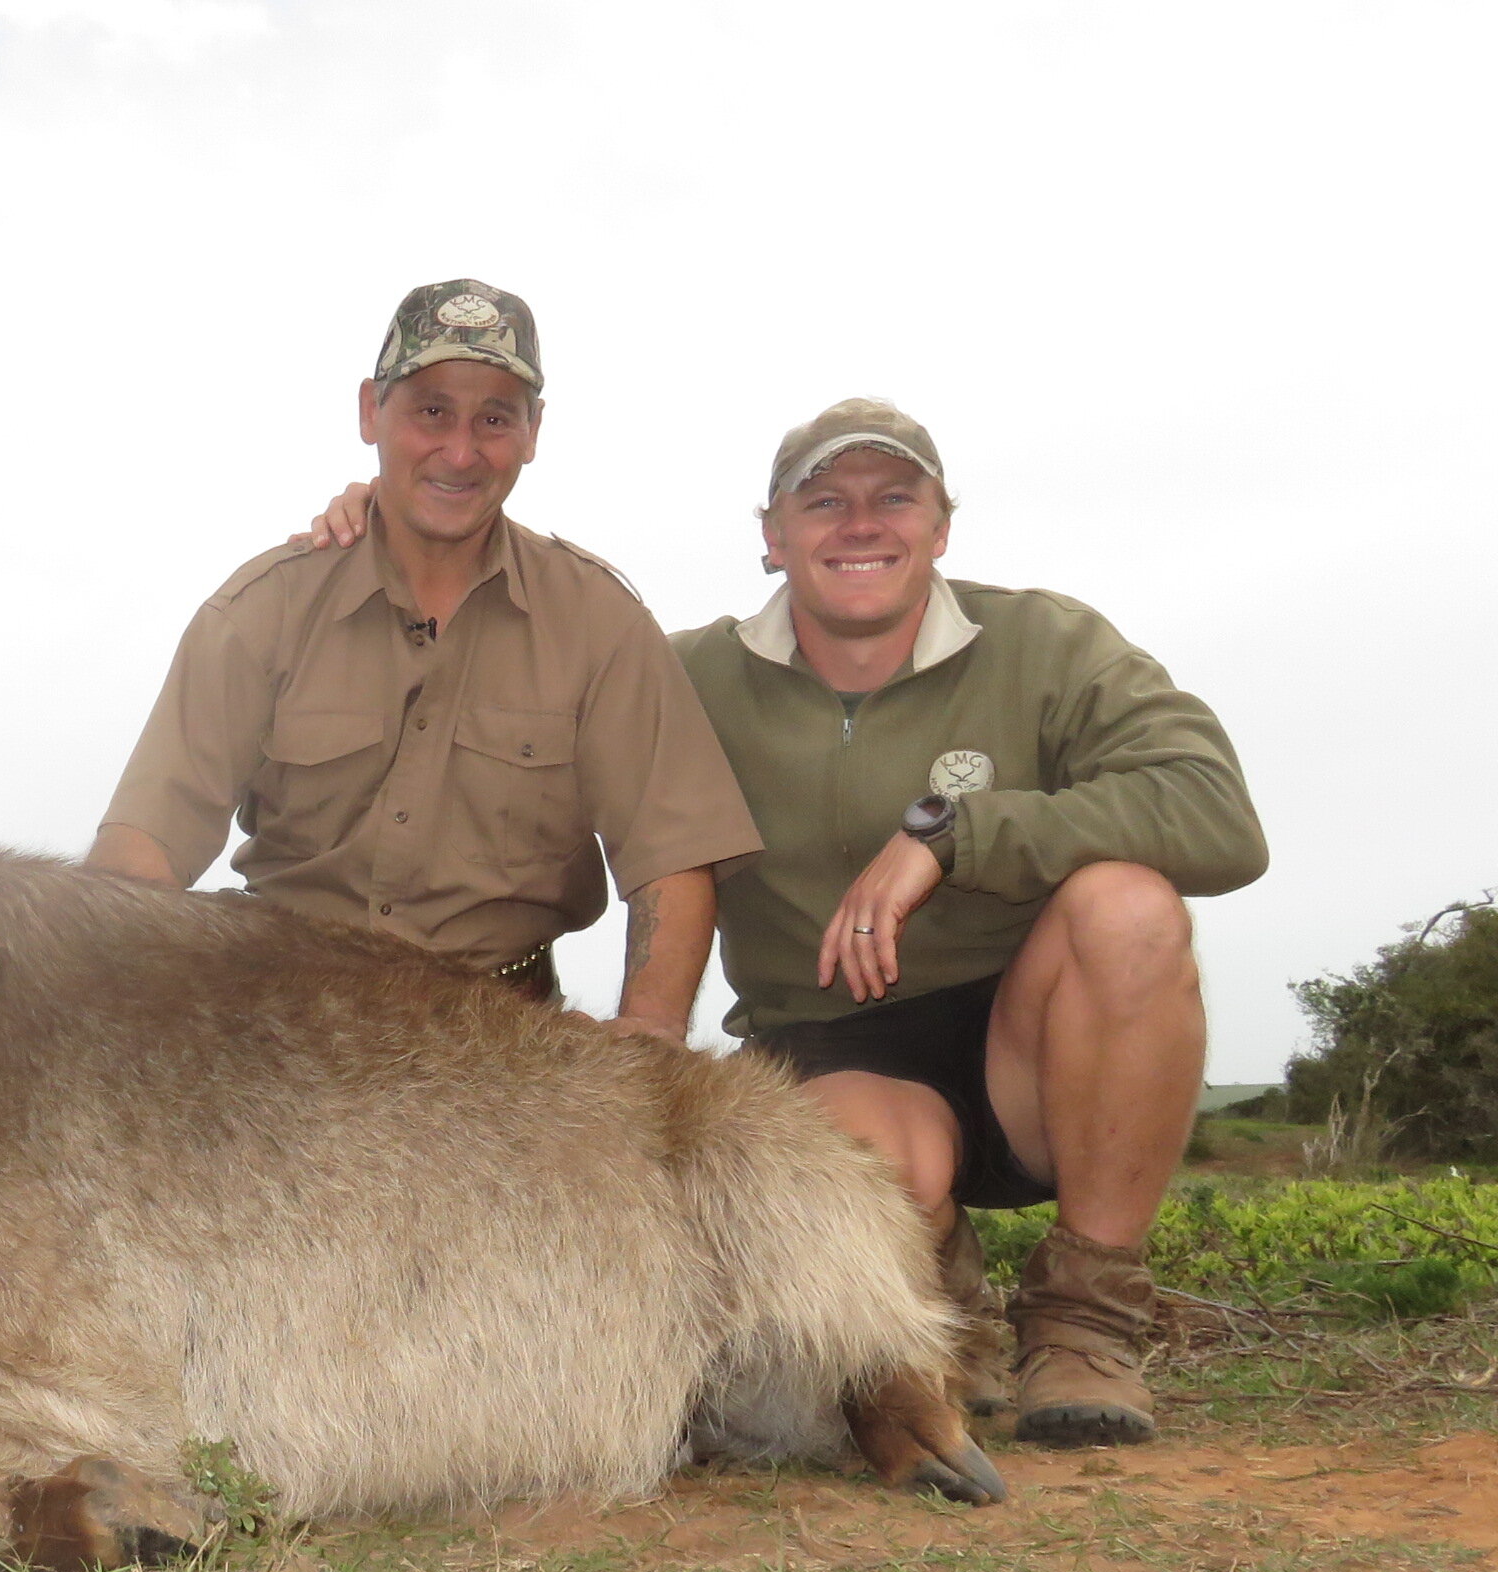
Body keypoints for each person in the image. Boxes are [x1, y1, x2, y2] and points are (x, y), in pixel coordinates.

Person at [299, 397, 1266, 1448]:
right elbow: (503, 683)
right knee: (879, 1167)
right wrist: (398, 533)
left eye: (894, 498)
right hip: (836, 1044)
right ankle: (941, 1307)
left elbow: (1218, 817)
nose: (861, 525)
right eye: (824, 502)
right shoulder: (685, 674)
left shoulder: (1048, 643)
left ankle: (1086, 1320)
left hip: (1031, 1045)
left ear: (940, 527)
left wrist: (952, 835)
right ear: (772, 535)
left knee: (1128, 910)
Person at [88, 281, 761, 1038]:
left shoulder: (601, 624)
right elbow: (141, 845)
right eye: (431, 411)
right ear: (371, 411)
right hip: (277, 1028)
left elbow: (671, 856)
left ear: (534, 432)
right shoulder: (262, 611)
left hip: (502, 1043)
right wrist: (131, 1003)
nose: (461, 451)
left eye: (495, 419)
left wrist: (651, 1029)